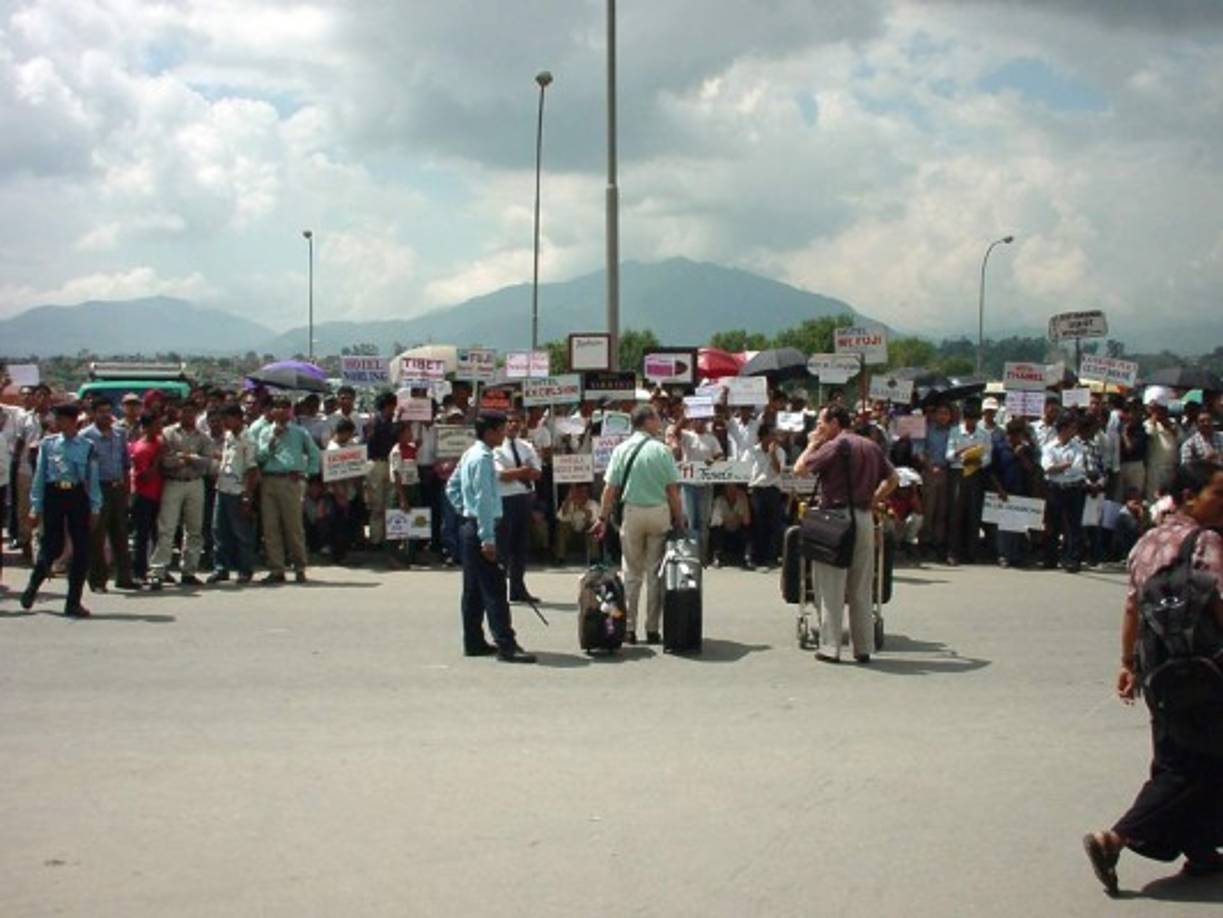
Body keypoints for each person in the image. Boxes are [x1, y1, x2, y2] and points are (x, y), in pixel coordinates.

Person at [1082, 460, 1223, 895]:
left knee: (1176, 755)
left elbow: (1131, 607)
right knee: (1192, 766)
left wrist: (1128, 665)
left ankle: (1200, 852)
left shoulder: (1148, 541)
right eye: (1218, 492)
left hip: (1161, 671)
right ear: (1188, 497)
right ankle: (1115, 838)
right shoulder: (1208, 542)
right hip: (1207, 670)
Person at [795, 404, 898, 663]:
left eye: (821, 423)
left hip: (836, 519)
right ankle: (863, 646)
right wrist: (873, 500)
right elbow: (893, 479)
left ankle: (830, 647)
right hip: (863, 518)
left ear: (834, 423)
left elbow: (800, 469)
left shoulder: (834, 446)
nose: (818, 427)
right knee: (862, 586)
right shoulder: (870, 446)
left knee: (830, 585)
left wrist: (812, 443)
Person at [445, 411, 536, 663]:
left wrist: (465, 511)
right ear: (490, 432)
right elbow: (484, 500)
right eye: (500, 429)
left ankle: (473, 641)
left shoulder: (469, 453)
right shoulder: (484, 458)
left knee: (473, 589)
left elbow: (451, 487)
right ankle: (506, 644)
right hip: (483, 527)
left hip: (470, 526)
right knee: (495, 589)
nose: (504, 433)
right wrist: (487, 538)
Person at [593, 405, 684, 645]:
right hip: (659, 514)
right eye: (656, 418)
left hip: (632, 513)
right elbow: (672, 491)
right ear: (648, 421)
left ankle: (629, 628)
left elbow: (610, 489)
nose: (659, 422)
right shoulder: (662, 451)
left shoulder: (621, 449)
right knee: (655, 574)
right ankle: (652, 629)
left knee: (632, 574)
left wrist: (602, 518)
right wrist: (680, 518)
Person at [19, 403, 102, 618]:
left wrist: (95, 507)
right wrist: (35, 507)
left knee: (81, 549)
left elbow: (93, 480)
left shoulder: (88, 446)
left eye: (61, 419)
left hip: (77, 496)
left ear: (72, 421)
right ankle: (32, 588)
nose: (57, 423)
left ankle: (73, 602)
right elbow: (39, 477)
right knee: (52, 546)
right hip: (54, 495)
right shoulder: (48, 444)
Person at [255, 396, 321, 584]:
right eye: (277, 407)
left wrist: (306, 474)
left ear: (290, 411)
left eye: (285, 407)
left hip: (290, 481)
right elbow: (259, 457)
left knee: (293, 527)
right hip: (269, 480)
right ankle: (276, 568)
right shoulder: (265, 431)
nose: (281, 411)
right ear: (272, 410)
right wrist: (272, 440)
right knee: (270, 528)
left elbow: (314, 455)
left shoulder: (300, 432)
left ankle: (299, 567)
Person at [148, 401, 212, 589]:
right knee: (167, 527)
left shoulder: (203, 436)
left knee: (194, 529)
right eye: (185, 412)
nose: (188, 416)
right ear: (178, 413)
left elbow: (207, 462)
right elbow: (165, 461)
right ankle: (158, 570)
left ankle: (189, 571)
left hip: (195, 483)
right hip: (173, 482)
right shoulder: (168, 434)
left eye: (192, 412)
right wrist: (183, 460)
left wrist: (189, 458)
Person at [81, 397, 135, 592]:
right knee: (97, 535)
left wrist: (126, 490)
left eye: (108, 411)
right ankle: (97, 580)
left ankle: (124, 577)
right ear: (93, 413)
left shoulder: (120, 434)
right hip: (97, 488)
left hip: (117, 487)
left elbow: (126, 463)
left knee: (120, 533)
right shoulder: (86, 436)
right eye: (101, 411)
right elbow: (83, 468)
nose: (106, 415)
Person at [493, 408, 543, 603]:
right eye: (509, 421)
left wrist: (517, 472)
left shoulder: (526, 446)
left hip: (524, 497)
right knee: (503, 546)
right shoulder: (497, 448)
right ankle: (498, 589)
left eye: (517, 421)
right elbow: (501, 475)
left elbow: (537, 472)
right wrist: (524, 470)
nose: (513, 425)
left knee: (520, 547)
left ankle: (517, 588)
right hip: (505, 499)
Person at [208, 403, 258, 583]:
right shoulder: (228, 436)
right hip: (222, 487)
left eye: (227, 419)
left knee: (241, 532)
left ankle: (245, 569)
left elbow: (252, 470)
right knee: (218, 530)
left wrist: (247, 495)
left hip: (238, 491)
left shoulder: (248, 439)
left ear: (237, 418)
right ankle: (221, 567)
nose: (224, 423)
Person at [669, 410, 724, 563]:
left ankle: (703, 555)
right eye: (696, 420)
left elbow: (720, 456)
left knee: (703, 522)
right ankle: (693, 555)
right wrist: (685, 414)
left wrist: (713, 462)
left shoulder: (711, 439)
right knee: (692, 520)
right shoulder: (688, 435)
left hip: (706, 484)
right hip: (689, 484)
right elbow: (675, 431)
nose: (699, 422)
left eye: (702, 420)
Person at [945, 402, 992, 566]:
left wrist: (975, 459)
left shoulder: (984, 434)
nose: (971, 422)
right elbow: (949, 456)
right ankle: (953, 552)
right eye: (968, 419)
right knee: (956, 513)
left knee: (974, 513)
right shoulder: (955, 431)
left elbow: (988, 457)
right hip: (958, 473)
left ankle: (972, 552)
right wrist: (962, 452)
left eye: (974, 419)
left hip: (975, 472)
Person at [1041, 414, 1087, 573]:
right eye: (1071, 427)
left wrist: (1059, 468)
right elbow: (1047, 468)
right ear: (1063, 429)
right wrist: (1063, 466)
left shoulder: (1078, 447)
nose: (1074, 430)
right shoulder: (1049, 447)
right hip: (1054, 488)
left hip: (1073, 488)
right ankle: (1050, 558)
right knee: (1051, 524)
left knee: (1073, 526)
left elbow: (1078, 468)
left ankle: (1073, 559)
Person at [128, 415, 163, 585]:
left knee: (158, 534)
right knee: (141, 535)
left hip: (158, 495)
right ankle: (139, 571)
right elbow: (145, 476)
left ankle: (157, 568)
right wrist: (157, 460)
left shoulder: (160, 442)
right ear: (147, 427)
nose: (160, 427)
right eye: (157, 424)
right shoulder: (141, 448)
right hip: (143, 496)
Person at [746, 422, 785, 570]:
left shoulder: (779, 451)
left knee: (773, 525)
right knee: (757, 525)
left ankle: (771, 557)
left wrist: (772, 454)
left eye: (774, 435)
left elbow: (778, 471)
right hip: (757, 489)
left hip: (773, 490)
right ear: (762, 437)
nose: (773, 438)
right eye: (770, 435)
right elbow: (745, 470)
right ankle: (756, 557)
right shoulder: (752, 452)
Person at [365, 392, 398, 552]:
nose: (393, 409)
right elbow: (369, 443)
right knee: (377, 504)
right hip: (377, 464)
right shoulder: (373, 422)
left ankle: (387, 538)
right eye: (391, 406)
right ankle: (375, 539)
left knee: (390, 503)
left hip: (390, 463)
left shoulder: (393, 422)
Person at [554, 481, 599, 564]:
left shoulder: (593, 504)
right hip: (572, 535)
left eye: (585, 492)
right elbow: (561, 517)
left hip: (585, 535)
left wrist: (581, 507)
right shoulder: (569, 503)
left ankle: (594, 558)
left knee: (593, 526)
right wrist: (568, 500)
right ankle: (560, 557)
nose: (583, 494)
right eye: (581, 491)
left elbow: (592, 518)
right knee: (561, 526)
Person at [710, 482, 751, 568]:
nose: (731, 491)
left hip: (737, 531)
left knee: (747, 530)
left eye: (734, 488)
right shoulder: (719, 500)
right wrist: (736, 518)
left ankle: (747, 557)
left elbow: (746, 521)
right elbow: (717, 521)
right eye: (729, 488)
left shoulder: (741, 498)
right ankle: (717, 557)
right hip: (724, 533)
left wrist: (745, 500)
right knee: (717, 530)